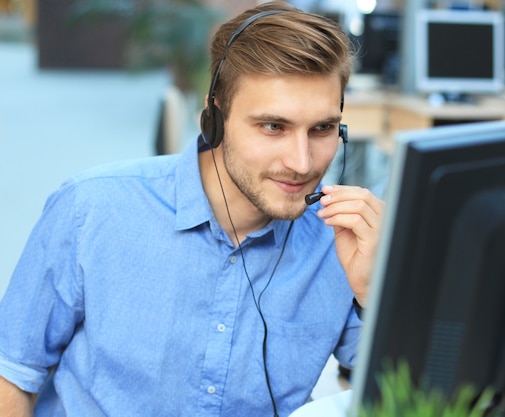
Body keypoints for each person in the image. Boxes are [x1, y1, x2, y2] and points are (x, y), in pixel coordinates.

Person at [0, 2, 384, 416]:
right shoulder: (91, 208)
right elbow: (13, 374)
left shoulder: (342, 238)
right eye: (274, 127)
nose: (302, 162)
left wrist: (373, 291)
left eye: (322, 129)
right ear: (213, 115)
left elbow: (412, 393)